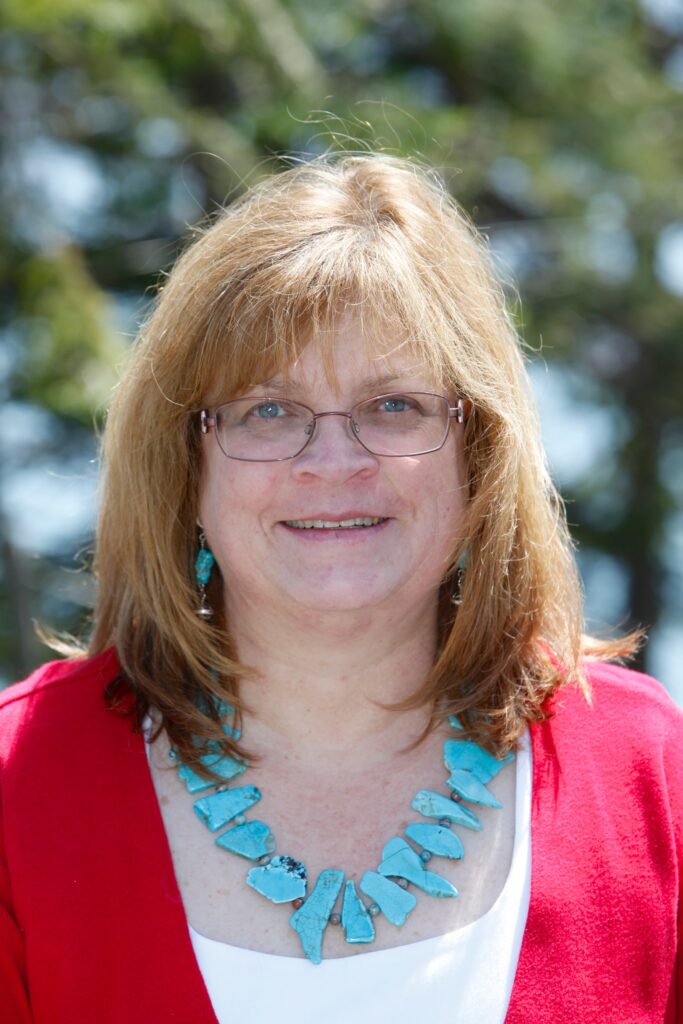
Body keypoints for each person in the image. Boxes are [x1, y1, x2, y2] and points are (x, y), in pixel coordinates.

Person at [0, 153, 681, 1024]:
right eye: (266, 411)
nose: (334, 463)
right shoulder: (23, 787)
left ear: (476, 456)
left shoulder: (648, 774)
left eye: (394, 406)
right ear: (185, 471)